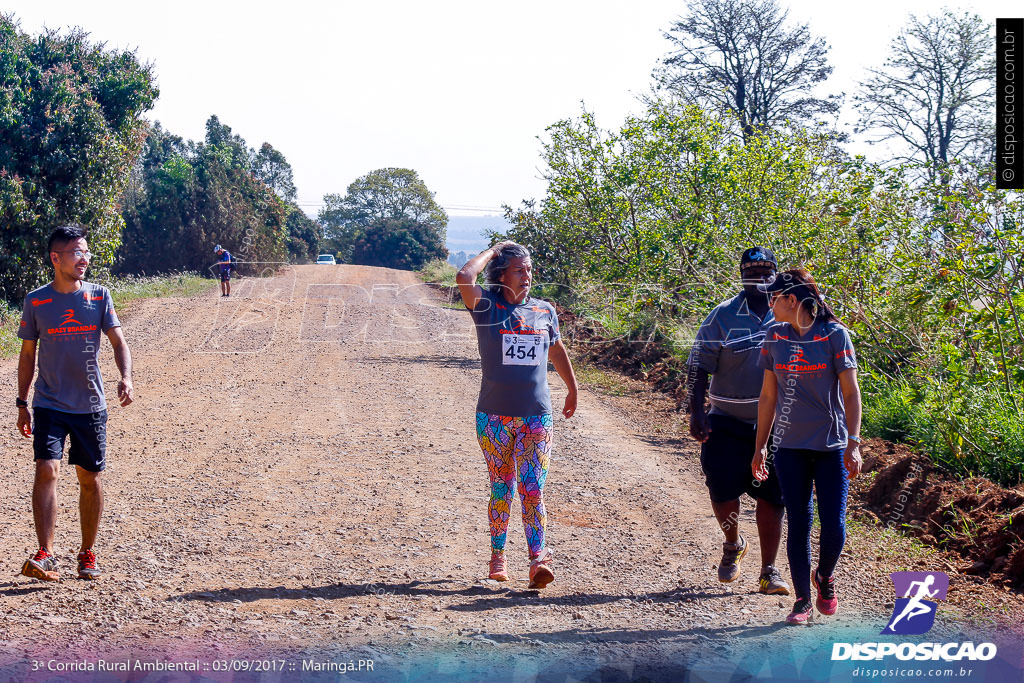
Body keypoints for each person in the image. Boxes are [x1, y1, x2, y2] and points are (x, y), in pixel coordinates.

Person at [456, 241, 578, 589]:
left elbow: (556, 349)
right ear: (501, 275)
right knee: (502, 486)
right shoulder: (486, 307)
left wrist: (572, 387)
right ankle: (497, 556)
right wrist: (494, 251)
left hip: (536, 416)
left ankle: (538, 560)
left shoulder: (544, 310)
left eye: (529, 269)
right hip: (493, 417)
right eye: (519, 270)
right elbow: (465, 275)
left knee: (532, 488)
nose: (527, 276)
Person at [16, 225, 134, 581]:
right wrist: (22, 402)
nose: (84, 259)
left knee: (89, 478)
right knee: (46, 470)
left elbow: (119, 343)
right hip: (49, 402)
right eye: (76, 253)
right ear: (56, 258)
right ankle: (45, 553)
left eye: (86, 253)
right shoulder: (36, 300)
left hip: (91, 404)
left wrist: (126, 376)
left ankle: (87, 553)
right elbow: (26, 355)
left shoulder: (99, 296)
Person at [752, 268, 862, 624]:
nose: (770, 304)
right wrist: (760, 446)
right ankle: (801, 600)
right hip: (789, 447)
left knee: (834, 523)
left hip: (831, 445)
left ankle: (824, 576)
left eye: (774, 298)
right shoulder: (774, 336)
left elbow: (850, 393)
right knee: (799, 521)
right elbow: (767, 397)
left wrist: (854, 442)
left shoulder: (834, 335)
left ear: (792, 300)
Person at [686, 247, 789, 595]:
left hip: (777, 426)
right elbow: (700, 363)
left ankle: (769, 570)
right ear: (741, 274)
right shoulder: (723, 315)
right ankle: (733, 543)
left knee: (773, 497)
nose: (760, 277)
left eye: (766, 270)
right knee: (722, 489)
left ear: (775, 272)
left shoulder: (790, 313)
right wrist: (697, 411)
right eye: (752, 270)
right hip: (727, 419)